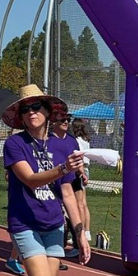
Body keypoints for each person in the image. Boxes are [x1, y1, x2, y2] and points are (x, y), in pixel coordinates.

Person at [1, 84, 89, 276]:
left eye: (36, 106)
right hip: (25, 224)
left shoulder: (61, 145)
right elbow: (29, 179)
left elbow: (68, 193)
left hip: (54, 225)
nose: (31, 111)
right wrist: (62, 168)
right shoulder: (15, 144)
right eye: (25, 109)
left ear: (48, 111)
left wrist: (81, 235)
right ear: (20, 117)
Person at [47, 110, 82, 261]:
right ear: (54, 122)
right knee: (58, 220)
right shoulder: (47, 140)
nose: (66, 122)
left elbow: (77, 158)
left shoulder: (72, 140)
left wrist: (81, 172)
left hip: (69, 183)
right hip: (52, 185)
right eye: (63, 120)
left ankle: (60, 251)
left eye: (68, 119)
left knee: (70, 216)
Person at [70, 118, 92, 243]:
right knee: (83, 203)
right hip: (85, 168)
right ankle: (86, 231)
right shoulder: (86, 140)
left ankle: (81, 231)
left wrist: (81, 172)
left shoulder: (77, 141)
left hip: (81, 169)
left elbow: (78, 157)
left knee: (79, 204)